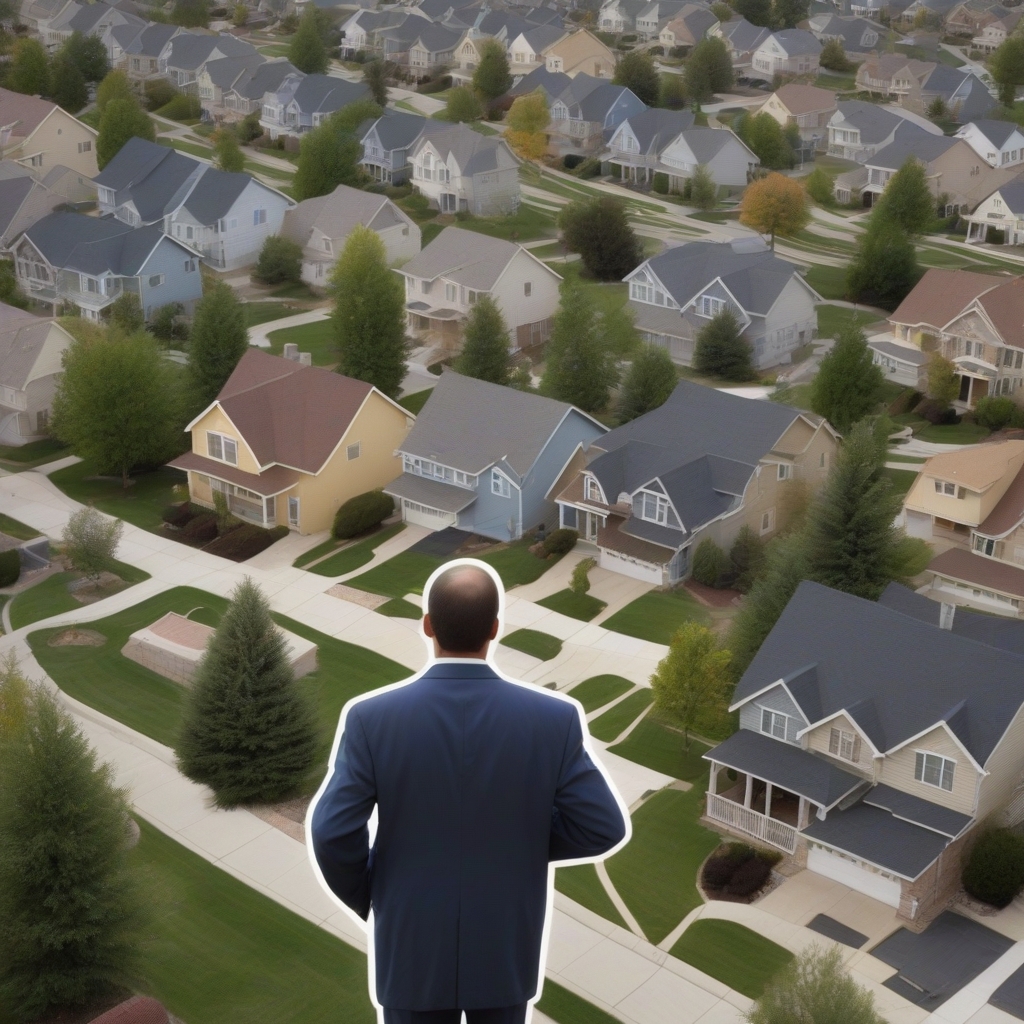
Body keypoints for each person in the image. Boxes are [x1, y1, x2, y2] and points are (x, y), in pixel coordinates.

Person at [308, 560, 628, 1024]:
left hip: (411, 944)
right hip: (503, 948)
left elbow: (331, 831)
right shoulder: (553, 720)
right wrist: (523, 840)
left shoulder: (371, 719)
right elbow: (602, 825)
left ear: (427, 626)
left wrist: (372, 892)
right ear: (495, 629)